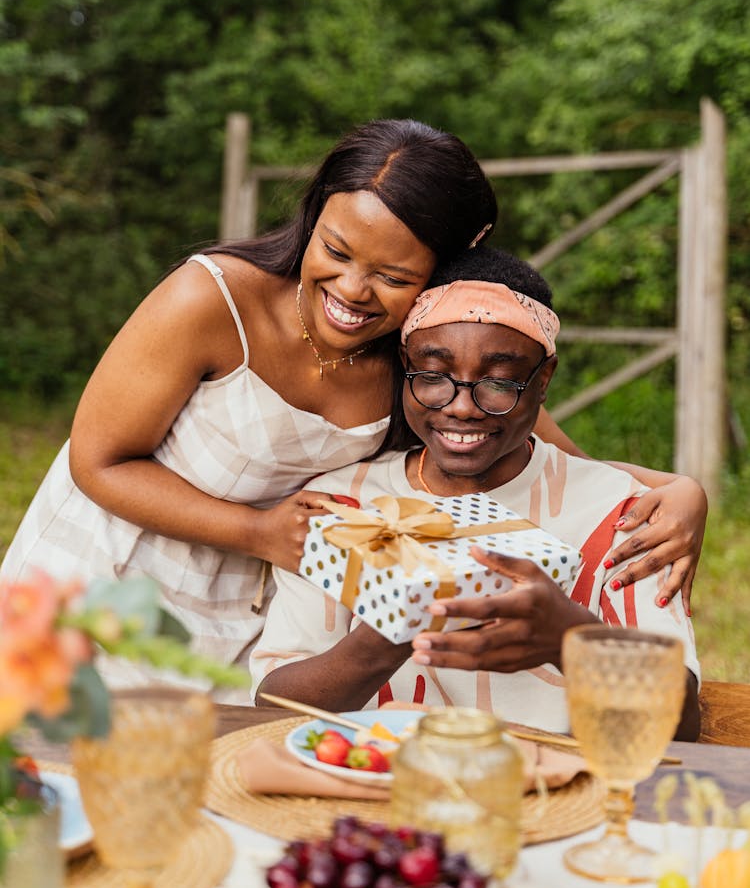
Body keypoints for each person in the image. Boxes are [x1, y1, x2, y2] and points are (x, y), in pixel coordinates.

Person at [2, 118, 703, 689]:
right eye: (334, 249)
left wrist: (681, 492)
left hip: (249, 614)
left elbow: (554, 456)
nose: (353, 289)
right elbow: (99, 461)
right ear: (312, 214)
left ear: (441, 272)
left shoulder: (413, 360)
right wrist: (260, 533)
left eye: (394, 275)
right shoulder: (211, 301)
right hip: (104, 581)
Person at [251, 246, 700, 739]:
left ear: (543, 380)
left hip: (556, 797)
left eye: (500, 383)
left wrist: (570, 640)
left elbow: (681, 725)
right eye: (433, 376)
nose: (462, 407)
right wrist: (388, 632)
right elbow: (271, 709)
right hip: (372, 792)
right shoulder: (341, 506)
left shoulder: (621, 516)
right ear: (405, 366)